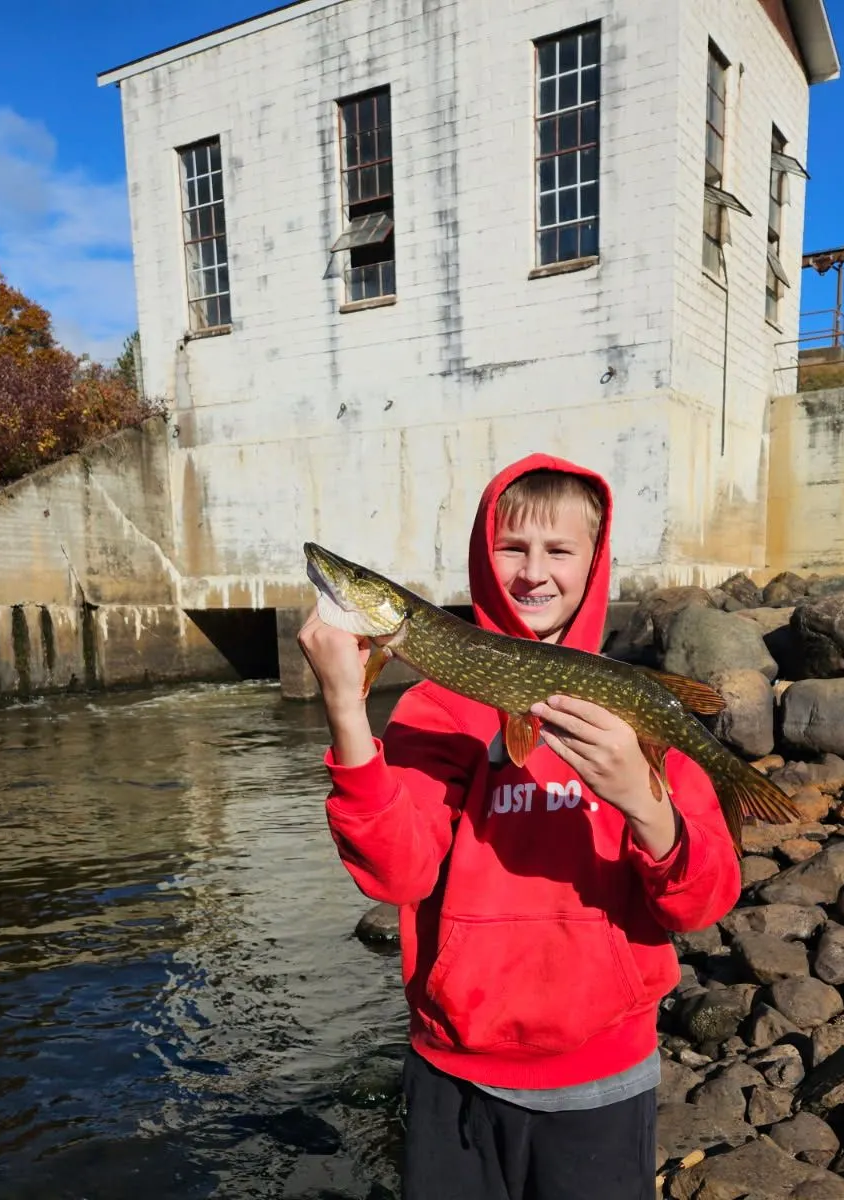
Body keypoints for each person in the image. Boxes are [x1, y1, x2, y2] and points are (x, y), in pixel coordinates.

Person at [298, 453, 742, 1199]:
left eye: (558, 550)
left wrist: (644, 802)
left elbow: (701, 904)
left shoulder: (623, 703)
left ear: (594, 562)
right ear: (482, 555)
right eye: (511, 548)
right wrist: (346, 708)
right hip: (454, 1074)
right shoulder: (436, 707)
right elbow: (396, 874)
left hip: (603, 1076)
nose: (533, 572)